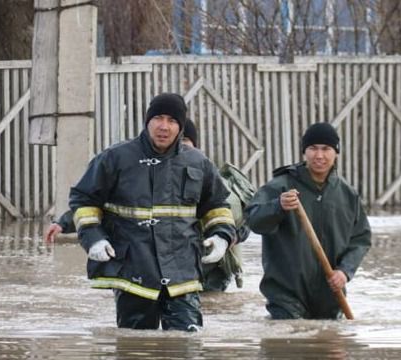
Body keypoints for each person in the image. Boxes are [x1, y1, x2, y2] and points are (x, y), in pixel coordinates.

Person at [69, 93, 237, 331]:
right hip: (134, 269)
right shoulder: (115, 158)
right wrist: (93, 238)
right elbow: (83, 198)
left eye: (172, 120)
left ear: (180, 126)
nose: (164, 126)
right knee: (136, 345)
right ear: (147, 121)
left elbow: (217, 205)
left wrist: (222, 235)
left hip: (183, 270)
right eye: (158, 118)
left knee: (186, 343)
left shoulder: (198, 162)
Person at [46, 120, 253, 293]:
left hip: (209, 268)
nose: (181, 146)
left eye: (186, 141)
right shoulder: (146, 173)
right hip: (165, 265)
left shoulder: (206, 176)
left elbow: (240, 219)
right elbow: (106, 206)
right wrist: (64, 223)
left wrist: (227, 238)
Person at [245, 122, 371, 320]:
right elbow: (253, 221)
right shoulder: (281, 186)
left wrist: (344, 272)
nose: (319, 155)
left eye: (326, 149)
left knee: (328, 343)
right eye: (313, 148)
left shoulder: (347, 194)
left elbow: (361, 239)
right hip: (286, 297)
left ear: (336, 153)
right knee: (291, 343)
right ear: (304, 152)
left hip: (331, 298)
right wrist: (278, 206)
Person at [180, 121, 253, 292]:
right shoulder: (155, 180)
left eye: (186, 142)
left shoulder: (211, 179)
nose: (182, 148)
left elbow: (245, 219)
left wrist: (230, 236)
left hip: (214, 268)